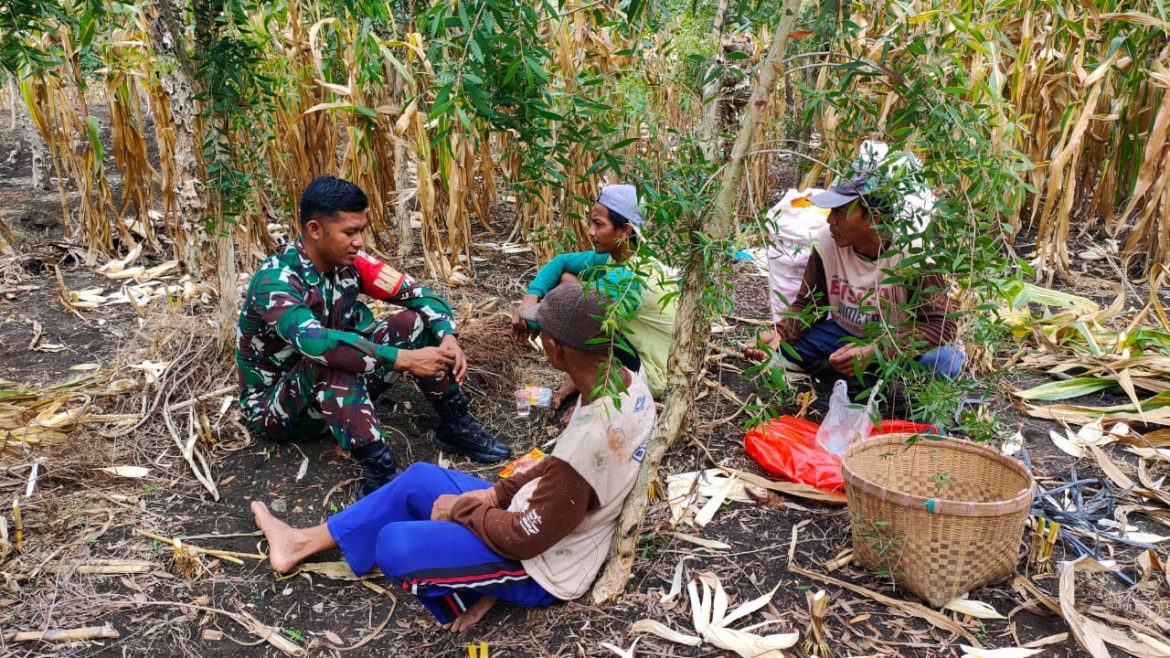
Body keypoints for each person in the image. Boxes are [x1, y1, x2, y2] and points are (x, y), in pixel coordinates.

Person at [251, 282, 655, 632]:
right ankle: (301, 542)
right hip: (547, 517)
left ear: (557, 349)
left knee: (395, 546)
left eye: (542, 331)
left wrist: (462, 511)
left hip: (546, 566)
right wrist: (496, 494)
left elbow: (525, 537)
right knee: (419, 479)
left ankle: (473, 589)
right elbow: (558, 471)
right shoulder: (625, 380)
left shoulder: (586, 447)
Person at [236, 176, 511, 497]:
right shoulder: (276, 281)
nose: (360, 241)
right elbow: (317, 344)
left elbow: (419, 294)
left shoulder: (352, 264)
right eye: (350, 232)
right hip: (279, 411)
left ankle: (455, 423)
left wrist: (447, 335)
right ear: (315, 230)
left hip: (335, 395)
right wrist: (405, 360)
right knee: (330, 356)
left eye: (362, 230)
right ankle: (380, 470)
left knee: (415, 322)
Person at [745, 170, 964, 399]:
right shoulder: (826, 241)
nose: (830, 220)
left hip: (896, 341)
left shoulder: (911, 254)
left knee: (943, 362)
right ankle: (862, 378)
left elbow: (943, 326)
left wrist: (878, 351)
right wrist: (781, 334)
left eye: (839, 212)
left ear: (875, 217)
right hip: (845, 332)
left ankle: (881, 382)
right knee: (787, 351)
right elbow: (811, 304)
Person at [512, 184, 677, 407]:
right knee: (568, 280)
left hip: (651, 371)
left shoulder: (631, 277)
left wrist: (531, 318)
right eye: (592, 222)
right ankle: (585, 382)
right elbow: (561, 262)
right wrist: (531, 298)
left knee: (567, 330)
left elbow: (573, 317)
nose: (590, 231)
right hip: (637, 343)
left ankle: (594, 398)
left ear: (625, 231)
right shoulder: (622, 254)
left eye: (599, 224)